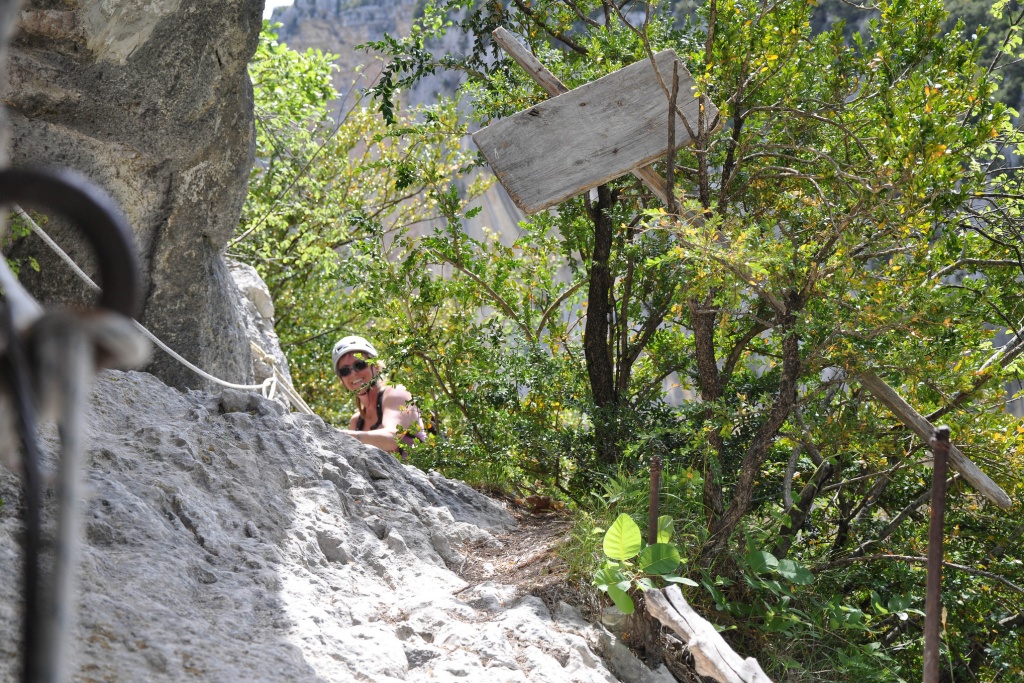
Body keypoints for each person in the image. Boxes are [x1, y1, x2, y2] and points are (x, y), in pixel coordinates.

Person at [331, 335, 426, 456]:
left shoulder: (396, 393)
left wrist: (337, 435)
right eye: (345, 371)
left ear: (375, 366)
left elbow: (392, 439)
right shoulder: (356, 422)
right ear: (341, 379)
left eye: (359, 365)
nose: (353, 373)